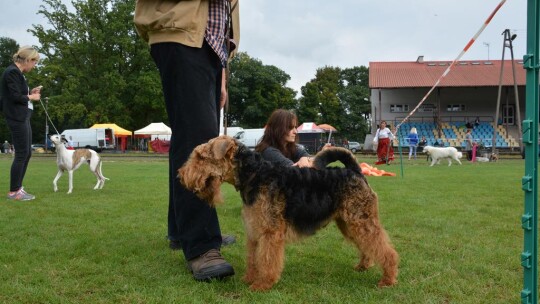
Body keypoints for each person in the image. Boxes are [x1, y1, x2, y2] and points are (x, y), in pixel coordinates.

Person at [134, 0, 240, 282]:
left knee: (188, 137)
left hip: (212, 47)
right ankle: (202, 245)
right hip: (182, 35)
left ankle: (181, 231)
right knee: (199, 143)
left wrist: (222, 74)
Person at [0, 46, 41, 201]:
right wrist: (32, 97)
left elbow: (18, 94)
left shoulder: (17, 73)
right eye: (35, 62)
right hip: (16, 117)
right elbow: (15, 97)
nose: (34, 66)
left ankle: (18, 188)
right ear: (28, 60)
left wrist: (31, 93)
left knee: (27, 153)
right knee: (22, 154)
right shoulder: (12, 72)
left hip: (23, 116)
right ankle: (14, 191)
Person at [255, 109, 324, 167]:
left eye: (295, 127)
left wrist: (322, 154)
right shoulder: (268, 151)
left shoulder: (291, 148)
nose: (295, 132)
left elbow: (313, 160)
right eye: (290, 127)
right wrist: (307, 161)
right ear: (278, 129)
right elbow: (293, 172)